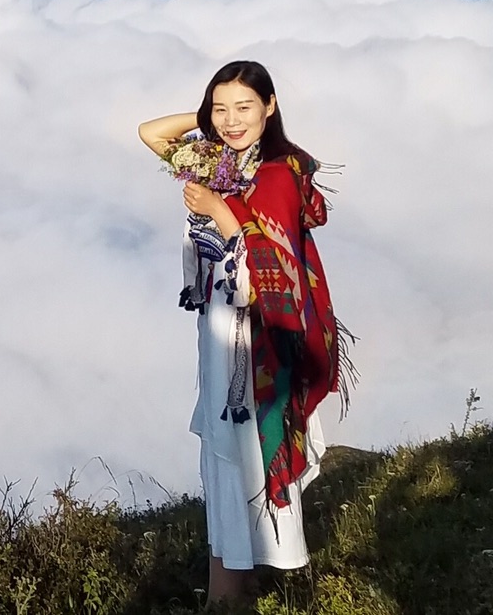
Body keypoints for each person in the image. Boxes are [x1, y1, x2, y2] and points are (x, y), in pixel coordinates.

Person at [138, 60, 348, 606]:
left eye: (245, 108)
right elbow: (150, 133)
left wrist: (217, 209)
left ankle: (235, 590)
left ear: (271, 106)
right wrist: (210, 123)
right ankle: (230, 578)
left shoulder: (275, 174)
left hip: (255, 337)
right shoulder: (219, 164)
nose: (231, 121)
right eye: (220, 108)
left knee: (243, 445)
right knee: (223, 444)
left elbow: (267, 269)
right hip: (221, 322)